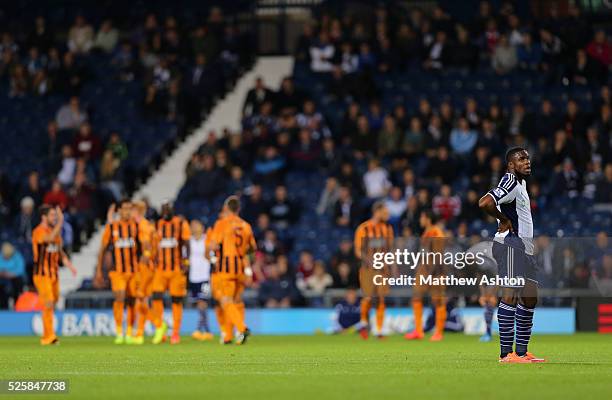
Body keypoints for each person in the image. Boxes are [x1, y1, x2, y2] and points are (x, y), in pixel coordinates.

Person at [478, 147, 546, 363]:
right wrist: (504, 220)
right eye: (521, 159)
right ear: (510, 165)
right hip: (509, 245)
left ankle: (523, 353)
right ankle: (506, 354)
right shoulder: (510, 180)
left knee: (529, 297)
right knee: (510, 294)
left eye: (527, 158)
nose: (527, 162)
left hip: (524, 249)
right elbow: (485, 202)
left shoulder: (522, 184)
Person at [207, 196, 256, 345]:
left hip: (226, 268)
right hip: (240, 267)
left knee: (225, 300)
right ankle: (229, 336)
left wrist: (214, 252)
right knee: (237, 301)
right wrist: (248, 268)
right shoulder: (246, 226)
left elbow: (214, 245)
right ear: (238, 209)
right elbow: (252, 248)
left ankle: (241, 328)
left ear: (227, 208)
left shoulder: (221, 224)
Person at [95, 200, 143, 344]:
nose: (127, 212)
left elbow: (141, 248)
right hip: (118, 272)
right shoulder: (112, 227)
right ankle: (119, 331)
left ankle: (129, 331)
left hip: (133, 271)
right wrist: (99, 270)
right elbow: (102, 249)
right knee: (120, 297)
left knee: (132, 301)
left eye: (129, 209)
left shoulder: (136, 226)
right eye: (124, 209)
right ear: (119, 211)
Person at [32, 205, 76, 345]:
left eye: (55, 216)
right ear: (44, 217)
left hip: (54, 275)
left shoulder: (55, 233)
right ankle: (48, 337)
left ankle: (48, 334)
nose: (55, 218)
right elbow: (48, 239)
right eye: (52, 215)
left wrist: (69, 265)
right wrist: (60, 223)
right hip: (41, 274)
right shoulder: (38, 231)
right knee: (49, 302)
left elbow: (59, 251)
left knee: (53, 302)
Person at [151, 201, 191, 345]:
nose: (166, 211)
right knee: (156, 297)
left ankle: (175, 333)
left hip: (176, 270)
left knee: (176, 300)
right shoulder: (157, 225)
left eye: (168, 208)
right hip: (160, 269)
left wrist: (186, 262)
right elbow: (153, 245)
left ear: (173, 209)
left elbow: (187, 243)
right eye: (163, 209)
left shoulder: (181, 224)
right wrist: (152, 258)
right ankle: (159, 327)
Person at [405, 210, 447, 342]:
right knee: (416, 297)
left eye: (422, 217)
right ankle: (418, 331)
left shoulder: (436, 233)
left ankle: (438, 333)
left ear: (428, 218)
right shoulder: (426, 233)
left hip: (435, 272)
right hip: (424, 271)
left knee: (438, 301)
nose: (420, 220)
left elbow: (438, 255)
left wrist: (431, 273)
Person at [353, 201, 394, 339]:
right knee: (368, 297)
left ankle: (379, 330)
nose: (388, 214)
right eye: (385, 212)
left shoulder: (387, 229)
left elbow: (390, 250)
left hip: (382, 270)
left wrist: (392, 267)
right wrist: (368, 261)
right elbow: (358, 250)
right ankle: (364, 324)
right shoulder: (363, 228)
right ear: (377, 211)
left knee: (380, 299)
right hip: (367, 270)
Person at [131, 200, 156, 344]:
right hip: (145, 267)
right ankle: (139, 333)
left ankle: (159, 324)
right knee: (141, 300)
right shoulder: (143, 225)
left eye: (133, 210)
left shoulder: (143, 225)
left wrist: (143, 261)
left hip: (144, 268)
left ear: (138, 211)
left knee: (140, 299)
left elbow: (146, 246)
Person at [189, 220, 213, 341]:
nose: (193, 227)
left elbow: (211, 256)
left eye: (196, 225)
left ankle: (199, 329)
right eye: (192, 226)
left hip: (204, 277)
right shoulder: (188, 241)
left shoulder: (207, 240)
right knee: (199, 304)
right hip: (193, 277)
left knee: (202, 303)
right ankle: (208, 331)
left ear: (202, 227)